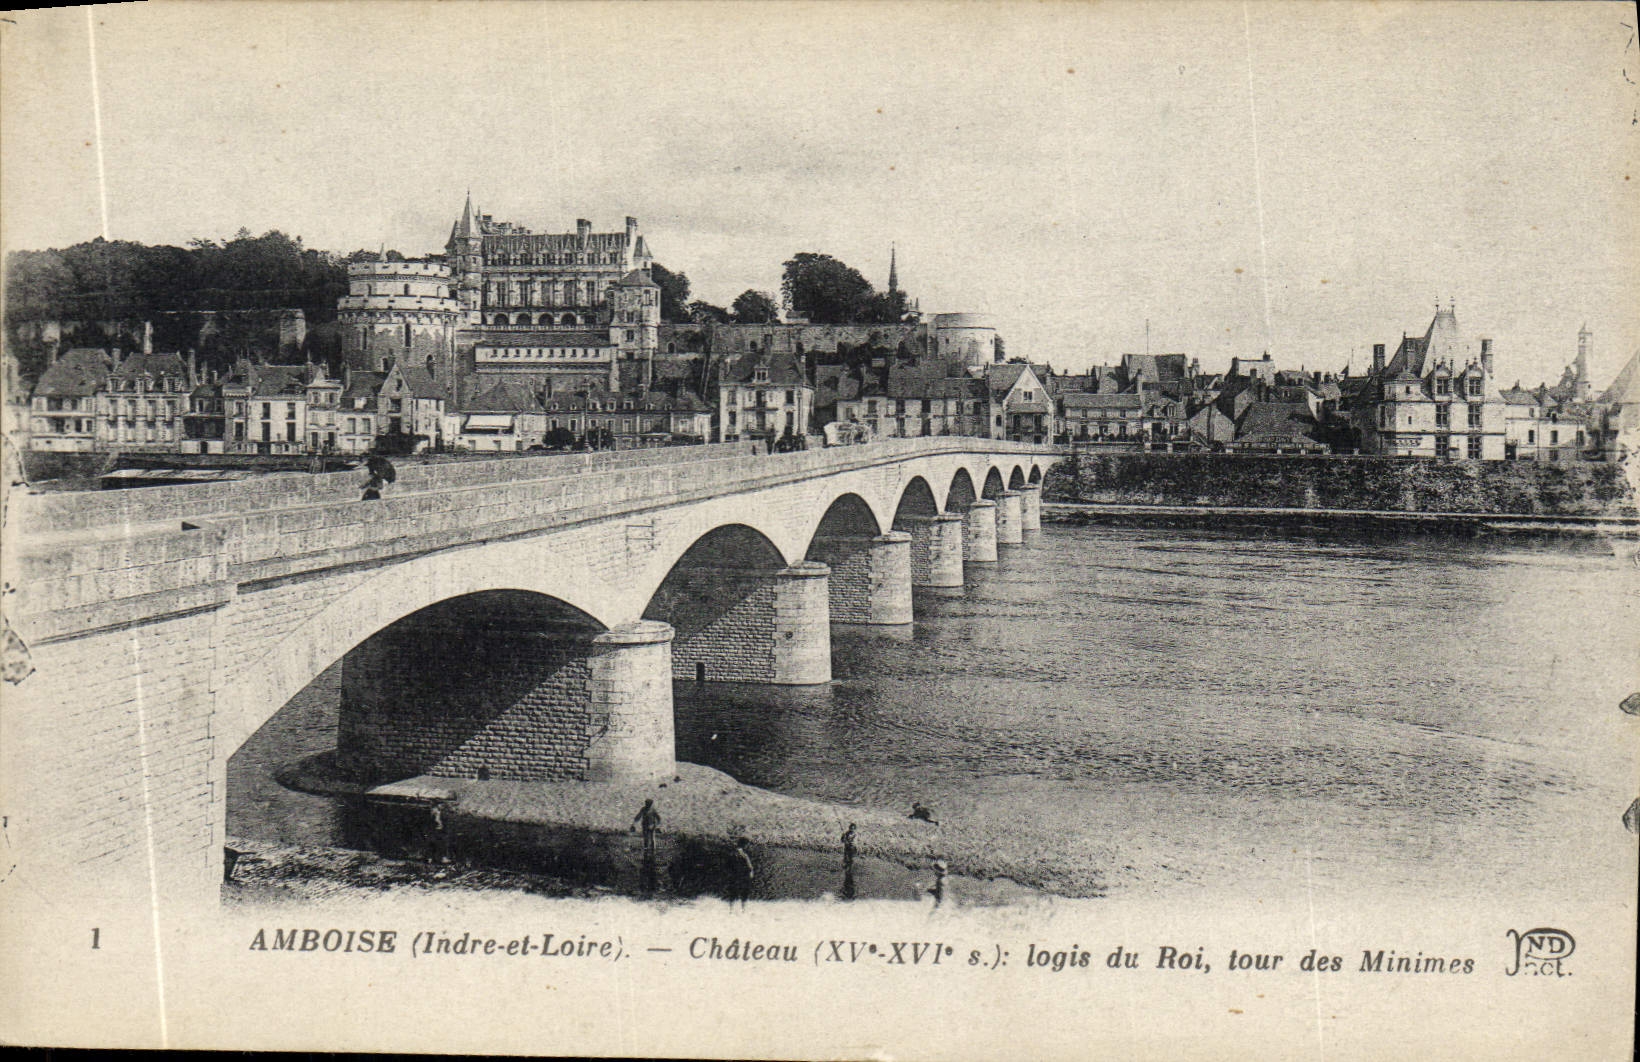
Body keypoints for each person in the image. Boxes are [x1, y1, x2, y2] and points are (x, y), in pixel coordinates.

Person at [731, 837, 755, 907]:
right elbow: (750, 866)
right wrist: (751, 872)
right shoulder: (744, 855)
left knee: (733, 892)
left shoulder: (732, 853)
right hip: (743, 876)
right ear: (744, 845)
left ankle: (731, 909)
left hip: (734, 875)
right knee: (744, 892)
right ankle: (743, 909)